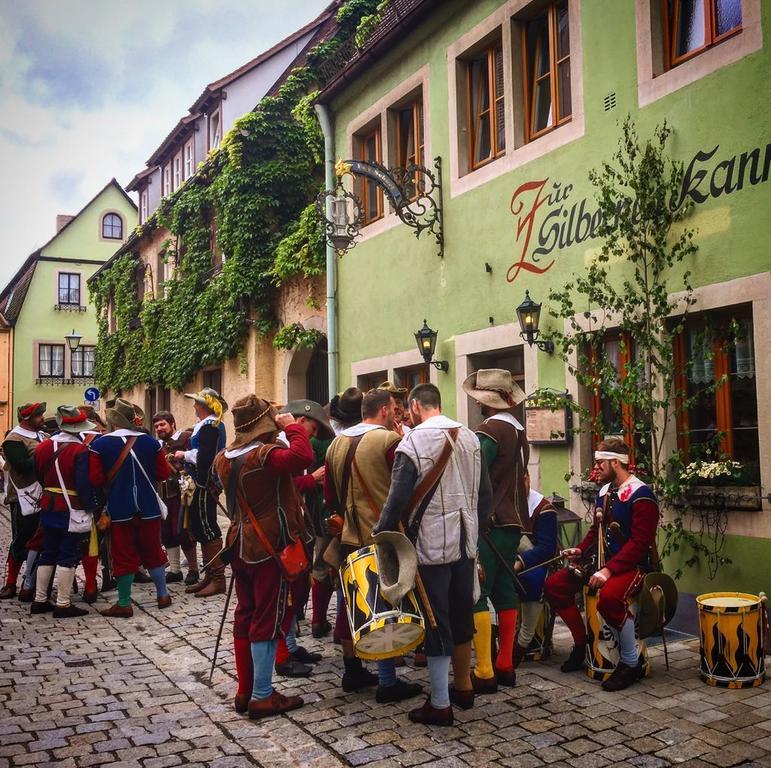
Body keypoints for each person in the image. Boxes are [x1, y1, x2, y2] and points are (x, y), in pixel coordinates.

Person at [375, 383, 492, 726]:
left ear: (414, 406)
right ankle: (464, 686)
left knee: (436, 619)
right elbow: (484, 497)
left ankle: (440, 703)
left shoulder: (412, 441)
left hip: (430, 544)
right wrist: (475, 532)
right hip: (465, 541)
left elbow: (396, 498)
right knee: (461, 614)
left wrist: (381, 535)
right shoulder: (470, 437)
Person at [212, 394, 312, 719]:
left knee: (245, 614)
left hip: (239, 544)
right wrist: (293, 427)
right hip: (268, 547)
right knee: (266, 618)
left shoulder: (223, 458)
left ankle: (245, 690)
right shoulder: (265, 455)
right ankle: (262, 695)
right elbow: (302, 456)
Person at [325, 388, 422, 702]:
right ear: (383, 410)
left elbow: (329, 497)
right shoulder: (388, 441)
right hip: (382, 533)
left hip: (346, 534)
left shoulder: (335, 444)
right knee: (384, 603)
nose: (396, 413)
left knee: (350, 599)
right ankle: (387, 681)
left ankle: (352, 668)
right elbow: (403, 488)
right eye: (394, 408)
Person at [544, 438, 659, 691]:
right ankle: (581, 644)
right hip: (601, 562)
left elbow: (640, 543)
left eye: (600, 463)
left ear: (615, 463)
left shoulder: (642, 495)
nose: (596, 469)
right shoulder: (605, 491)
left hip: (634, 566)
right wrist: (580, 550)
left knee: (609, 598)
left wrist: (608, 570)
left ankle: (630, 663)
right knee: (555, 585)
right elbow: (596, 531)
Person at [462, 369, 529, 692]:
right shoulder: (518, 430)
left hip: (489, 522)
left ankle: (485, 671)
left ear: (483, 400)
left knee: (477, 592)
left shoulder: (488, 431)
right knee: (504, 591)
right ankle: (505, 665)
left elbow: (474, 474)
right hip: (513, 522)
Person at [88, 398, 173, 618]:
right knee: (153, 549)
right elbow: (163, 474)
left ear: (113, 421)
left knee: (123, 554)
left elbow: (96, 479)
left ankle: (124, 603)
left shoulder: (100, 445)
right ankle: (162, 595)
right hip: (149, 506)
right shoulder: (150, 442)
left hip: (120, 507)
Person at [273, 399, 336, 677]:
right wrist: (312, 479)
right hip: (281, 529)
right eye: (310, 429)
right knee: (284, 594)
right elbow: (282, 486)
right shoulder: (280, 446)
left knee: (296, 590)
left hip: (296, 524)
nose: (311, 436)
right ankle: (282, 654)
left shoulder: (289, 442)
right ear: (298, 422)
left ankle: (290, 644)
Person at [31, 406, 97, 618]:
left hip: (49, 504)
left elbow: (39, 475)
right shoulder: (80, 450)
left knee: (48, 551)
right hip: (71, 507)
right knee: (67, 554)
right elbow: (83, 484)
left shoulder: (43, 447)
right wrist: (91, 507)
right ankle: (63, 603)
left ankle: (40, 599)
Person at [174, 388, 228, 598]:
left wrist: (183, 454)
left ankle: (218, 579)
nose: (194, 407)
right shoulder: (206, 425)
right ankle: (210, 575)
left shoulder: (211, 426)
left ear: (205, 406)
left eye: (197, 403)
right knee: (199, 526)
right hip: (201, 482)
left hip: (204, 483)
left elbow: (206, 457)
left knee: (207, 526)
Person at [511, 473, 559, 669]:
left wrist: (521, 562)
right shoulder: (505, 504)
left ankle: (523, 642)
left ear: (528, 478)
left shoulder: (544, 508)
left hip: (538, 563)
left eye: (522, 479)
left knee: (532, 580)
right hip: (509, 560)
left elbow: (546, 549)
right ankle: (498, 641)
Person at [1, 402, 47, 600]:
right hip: (23, 496)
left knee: (41, 538)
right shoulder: (13, 440)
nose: (42, 419)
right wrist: (47, 454)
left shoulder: (42, 436)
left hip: (43, 494)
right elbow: (22, 465)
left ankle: (32, 581)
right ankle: (10, 582)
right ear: (28, 419)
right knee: (22, 538)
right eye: (39, 416)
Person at [152, 411, 193, 584]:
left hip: (182, 494)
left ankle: (193, 569)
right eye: (156, 426)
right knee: (167, 532)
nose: (159, 429)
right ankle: (175, 570)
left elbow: (195, 461)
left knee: (184, 531)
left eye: (162, 425)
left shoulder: (185, 438)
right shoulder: (157, 445)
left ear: (172, 423)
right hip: (163, 493)